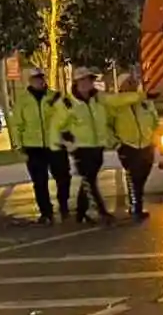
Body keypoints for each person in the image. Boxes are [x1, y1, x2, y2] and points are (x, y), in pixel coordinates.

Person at [6, 69, 71, 224]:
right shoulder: (22, 101)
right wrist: (19, 145)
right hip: (34, 147)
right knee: (39, 182)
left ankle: (64, 206)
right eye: (35, 79)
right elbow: (17, 125)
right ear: (29, 81)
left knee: (63, 177)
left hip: (55, 144)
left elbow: (67, 117)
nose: (39, 81)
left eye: (41, 78)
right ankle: (46, 212)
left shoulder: (55, 96)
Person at [61, 72, 116, 224]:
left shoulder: (97, 99)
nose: (88, 84)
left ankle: (81, 213)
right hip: (81, 148)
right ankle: (100, 211)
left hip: (97, 146)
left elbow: (106, 117)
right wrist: (69, 144)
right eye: (84, 81)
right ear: (77, 82)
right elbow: (60, 126)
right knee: (89, 181)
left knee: (88, 180)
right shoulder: (68, 102)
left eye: (90, 81)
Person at [104, 75, 159, 220]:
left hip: (146, 145)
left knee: (142, 177)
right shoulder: (116, 104)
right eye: (129, 82)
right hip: (128, 145)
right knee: (133, 177)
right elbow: (107, 127)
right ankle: (136, 208)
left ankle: (137, 204)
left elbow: (154, 120)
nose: (134, 84)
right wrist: (116, 143)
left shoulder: (144, 101)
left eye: (135, 82)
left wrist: (152, 137)